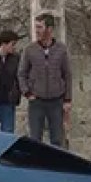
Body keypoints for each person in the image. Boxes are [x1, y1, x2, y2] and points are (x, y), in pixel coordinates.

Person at [18, 13, 72, 147]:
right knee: (35, 139)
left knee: (57, 139)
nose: (37, 31)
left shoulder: (61, 49)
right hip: (37, 102)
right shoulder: (30, 50)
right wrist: (27, 92)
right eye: (36, 27)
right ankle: (36, 166)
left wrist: (67, 99)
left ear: (49, 29)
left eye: (40, 27)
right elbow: (21, 73)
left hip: (56, 101)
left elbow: (67, 74)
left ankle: (56, 166)